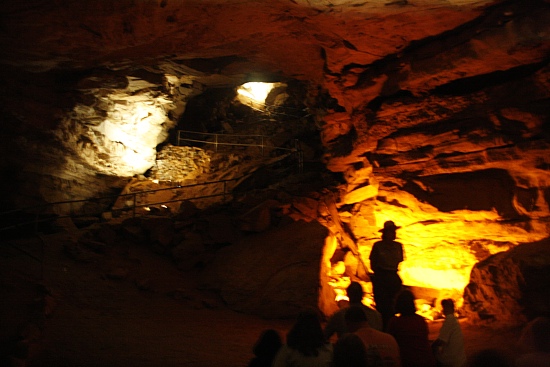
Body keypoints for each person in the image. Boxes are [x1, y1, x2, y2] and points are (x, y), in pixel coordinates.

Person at [369, 220, 405, 328]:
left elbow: (399, 261)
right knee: (382, 305)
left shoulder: (399, 246)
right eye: (391, 231)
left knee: (394, 304)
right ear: (385, 233)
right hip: (381, 277)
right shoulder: (378, 246)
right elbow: (373, 263)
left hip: (392, 276)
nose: (393, 234)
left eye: (394, 231)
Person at [386, 289, 436, 367]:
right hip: (426, 360)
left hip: (407, 361)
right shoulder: (420, 320)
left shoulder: (395, 322)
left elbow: (389, 344)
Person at [432, 299, 467, 367]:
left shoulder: (449, 320)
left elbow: (441, 340)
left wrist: (432, 346)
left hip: (452, 361)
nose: (444, 309)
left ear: (450, 308)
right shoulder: (454, 319)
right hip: (460, 358)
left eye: (445, 307)